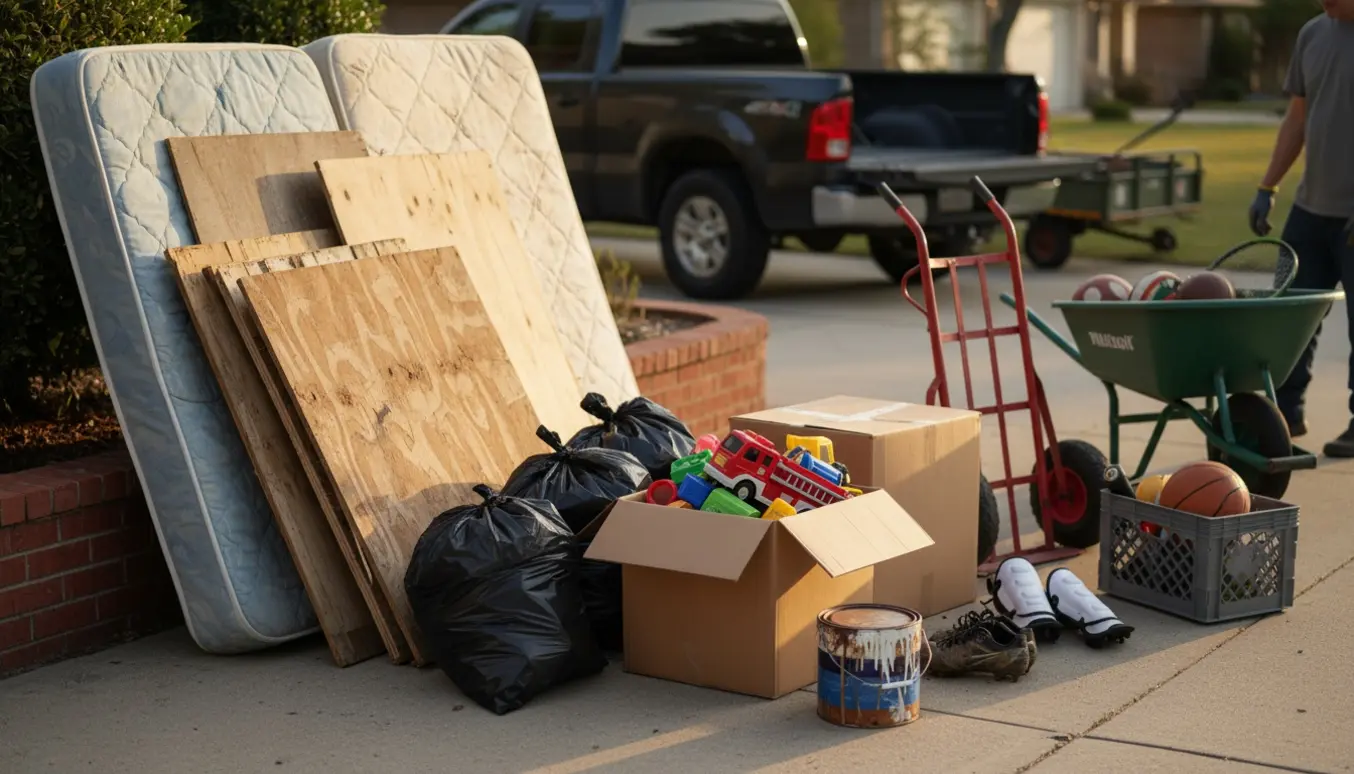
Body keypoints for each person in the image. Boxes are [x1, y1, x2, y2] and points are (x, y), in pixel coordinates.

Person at [1249, 0, 1354, 457]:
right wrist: (1267, 185)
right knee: (1289, 315)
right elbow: (1298, 117)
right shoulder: (1312, 33)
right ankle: (1285, 414)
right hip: (1311, 210)